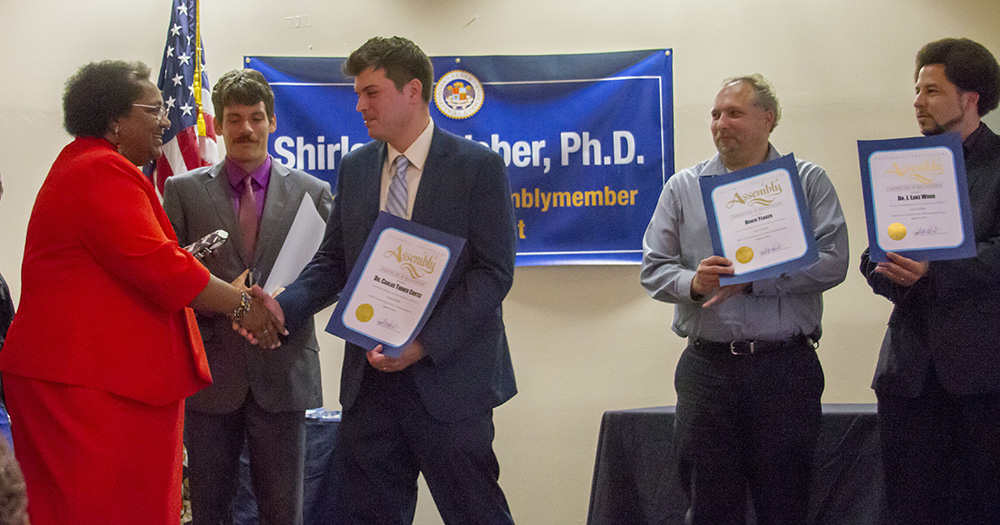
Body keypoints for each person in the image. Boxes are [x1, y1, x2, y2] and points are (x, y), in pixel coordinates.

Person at [246, 36, 518, 524]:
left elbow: (494, 273)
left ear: (412, 90)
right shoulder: (355, 167)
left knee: (476, 512)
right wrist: (286, 305)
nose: (359, 106)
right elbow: (334, 261)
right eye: (357, 94)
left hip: (450, 381)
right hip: (370, 384)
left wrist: (423, 343)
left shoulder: (477, 167)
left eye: (370, 92)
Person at [0, 60, 283, 525]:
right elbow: (160, 269)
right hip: (85, 387)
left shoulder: (92, 166)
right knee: (96, 510)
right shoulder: (98, 171)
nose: (168, 119)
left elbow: (136, 263)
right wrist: (244, 304)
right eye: (154, 109)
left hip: (99, 380)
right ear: (115, 120)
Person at [641, 74, 849, 524]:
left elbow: (834, 262)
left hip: (784, 370)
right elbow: (653, 269)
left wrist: (757, 281)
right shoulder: (682, 187)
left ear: (768, 119)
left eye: (734, 113)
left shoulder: (808, 182)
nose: (720, 124)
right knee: (710, 507)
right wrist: (694, 284)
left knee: (786, 505)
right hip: (707, 371)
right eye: (715, 114)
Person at [162, 68, 333, 525]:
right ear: (217, 125)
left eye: (256, 117)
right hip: (211, 376)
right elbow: (166, 278)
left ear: (273, 122)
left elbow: (330, 273)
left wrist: (282, 309)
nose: (246, 130)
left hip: (284, 369)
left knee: (283, 514)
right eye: (234, 119)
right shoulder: (180, 191)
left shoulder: (313, 193)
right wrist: (224, 301)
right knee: (210, 513)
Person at [860, 38, 1000, 524]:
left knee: (985, 503)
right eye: (916, 90)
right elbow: (874, 253)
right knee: (908, 507)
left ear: (971, 97)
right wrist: (892, 270)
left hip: (984, 374)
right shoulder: (902, 164)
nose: (917, 102)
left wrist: (933, 271)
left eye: (932, 91)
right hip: (908, 372)